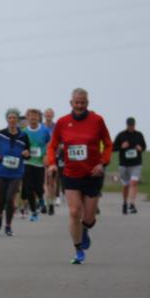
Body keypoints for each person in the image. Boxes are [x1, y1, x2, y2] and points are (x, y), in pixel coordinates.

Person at [46, 88, 113, 265]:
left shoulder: (97, 121)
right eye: (77, 102)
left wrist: (102, 163)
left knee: (89, 219)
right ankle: (78, 250)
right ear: (71, 103)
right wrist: (52, 163)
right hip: (71, 174)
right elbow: (52, 146)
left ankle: (85, 229)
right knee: (74, 212)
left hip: (93, 174)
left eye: (83, 103)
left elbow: (107, 145)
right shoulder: (62, 122)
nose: (79, 105)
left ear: (87, 103)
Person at [0, 109, 31, 236]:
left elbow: (28, 152)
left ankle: (8, 225)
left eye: (14, 117)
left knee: (10, 199)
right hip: (1, 171)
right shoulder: (0, 134)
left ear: (18, 120)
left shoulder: (23, 136)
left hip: (16, 173)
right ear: (7, 119)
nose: (12, 120)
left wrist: (26, 153)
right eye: (10, 117)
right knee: (0, 200)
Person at [21, 108, 51, 221]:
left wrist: (46, 155)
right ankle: (34, 212)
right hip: (27, 162)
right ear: (27, 117)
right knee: (28, 188)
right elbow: (20, 145)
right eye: (30, 116)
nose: (33, 118)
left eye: (35, 116)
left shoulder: (45, 131)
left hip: (39, 163)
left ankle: (42, 200)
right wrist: (23, 151)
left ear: (39, 117)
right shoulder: (23, 132)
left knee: (39, 187)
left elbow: (50, 143)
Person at [113, 117, 147, 214]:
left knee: (134, 182)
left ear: (134, 125)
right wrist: (121, 147)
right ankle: (125, 202)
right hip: (124, 164)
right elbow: (113, 148)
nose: (130, 127)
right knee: (125, 185)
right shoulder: (121, 135)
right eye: (129, 125)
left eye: (132, 125)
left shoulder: (139, 135)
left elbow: (144, 146)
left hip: (136, 164)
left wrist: (141, 148)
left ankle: (131, 204)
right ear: (126, 125)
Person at [42, 108, 58, 215]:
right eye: (47, 114)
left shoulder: (57, 127)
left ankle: (51, 202)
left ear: (53, 115)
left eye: (50, 114)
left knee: (52, 182)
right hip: (42, 156)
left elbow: (61, 140)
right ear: (44, 115)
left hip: (54, 156)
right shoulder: (41, 127)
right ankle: (45, 203)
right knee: (44, 181)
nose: (48, 115)